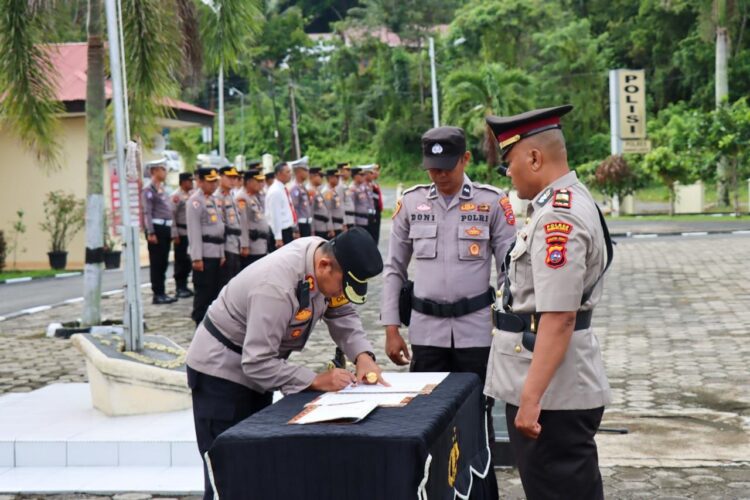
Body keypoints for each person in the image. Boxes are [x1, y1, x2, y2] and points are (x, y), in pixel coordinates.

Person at [186, 227, 386, 500]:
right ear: (324, 266)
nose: (342, 293)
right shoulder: (275, 287)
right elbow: (257, 362)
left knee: (256, 465)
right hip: (221, 374)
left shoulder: (323, 259)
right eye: (343, 285)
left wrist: (363, 356)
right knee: (228, 473)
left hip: (258, 369)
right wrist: (315, 380)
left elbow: (341, 310)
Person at [484, 105, 612, 500]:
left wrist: (530, 399)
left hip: (553, 395)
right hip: (556, 385)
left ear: (534, 157)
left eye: (509, 162)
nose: (507, 173)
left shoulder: (560, 217)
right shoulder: (564, 203)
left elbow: (558, 318)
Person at [380, 126, 516, 466]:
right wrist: (391, 329)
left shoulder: (491, 202)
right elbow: (394, 268)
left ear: (466, 159)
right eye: (433, 168)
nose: (439, 175)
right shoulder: (411, 203)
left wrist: (511, 327)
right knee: (425, 414)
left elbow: (511, 269)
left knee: (475, 412)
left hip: (476, 332)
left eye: (447, 167)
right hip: (427, 333)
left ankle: (479, 475)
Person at [187, 167, 225, 326]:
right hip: (204, 254)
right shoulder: (195, 201)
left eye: (215, 181)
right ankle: (199, 322)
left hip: (216, 252)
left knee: (215, 291)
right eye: (210, 181)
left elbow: (220, 228)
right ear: (200, 181)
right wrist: (196, 257)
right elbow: (194, 231)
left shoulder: (214, 200)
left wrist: (222, 253)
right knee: (203, 291)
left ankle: (211, 324)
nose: (214, 184)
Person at [141, 157, 176, 304]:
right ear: (154, 171)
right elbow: (147, 212)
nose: (165, 172)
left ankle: (162, 292)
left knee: (163, 262)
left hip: (166, 228)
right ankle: (157, 293)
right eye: (162, 169)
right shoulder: (149, 190)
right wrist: (151, 232)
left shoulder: (162, 188)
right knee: (157, 263)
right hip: (157, 229)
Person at [216, 165, 248, 285]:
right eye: (229, 177)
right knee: (227, 280)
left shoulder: (231, 195)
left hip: (235, 243)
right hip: (226, 244)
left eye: (235, 178)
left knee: (235, 278)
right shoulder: (218, 197)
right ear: (221, 177)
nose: (233, 180)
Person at [236, 168, 269, 268]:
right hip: (252, 246)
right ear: (249, 182)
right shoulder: (242, 197)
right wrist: (244, 245)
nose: (261, 183)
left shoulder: (254, 196)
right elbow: (243, 222)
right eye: (257, 181)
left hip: (261, 245)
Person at [171, 172, 195, 298]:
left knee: (188, 261)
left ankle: (185, 285)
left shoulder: (193, 194)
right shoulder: (176, 196)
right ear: (183, 182)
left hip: (191, 232)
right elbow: (172, 216)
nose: (191, 183)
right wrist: (174, 234)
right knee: (180, 261)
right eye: (189, 181)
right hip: (181, 232)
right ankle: (180, 287)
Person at [265, 162, 298, 248]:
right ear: (279, 174)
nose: (290, 174)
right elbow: (275, 216)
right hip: (281, 232)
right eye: (287, 172)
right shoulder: (275, 191)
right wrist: (278, 238)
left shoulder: (282, 188)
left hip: (287, 230)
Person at [309, 166, 335, 239]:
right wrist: (312, 230)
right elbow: (310, 212)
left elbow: (326, 209)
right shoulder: (310, 191)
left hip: (324, 227)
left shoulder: (316, 190)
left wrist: (329, 227)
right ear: (312, 176)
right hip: (317, 228)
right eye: (320, 176)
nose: (322, 179)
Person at [290, 161, 312, 237]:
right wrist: (296, 229)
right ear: (298, 171)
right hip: (300, 225)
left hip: (307, 223)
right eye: (305, 170)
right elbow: (294, 209)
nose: (307, 173)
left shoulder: (302, 187)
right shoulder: (295, 188)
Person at [321, 168, 346, 236]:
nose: (338, 179)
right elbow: (327, 211)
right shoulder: (327, 192)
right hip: (334, 227)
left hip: (339, 225)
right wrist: (330, 228)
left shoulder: (334, 190)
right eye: (337, 177)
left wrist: (343, 223)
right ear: (330, 178)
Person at [369, 164, 383, 244]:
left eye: (378, 170)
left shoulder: (375, 184)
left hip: (377, 212)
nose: (377, 173)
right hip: (373, 213)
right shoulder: (370, 185)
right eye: (375, 170)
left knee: (376, 236)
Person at [337, 162, 355, 228]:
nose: (349, 172)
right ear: (340, 171)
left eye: (349, 170)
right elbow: (340, 204)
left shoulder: (345, 184)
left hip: (350, 219)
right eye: (347, 170)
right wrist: (344, 222)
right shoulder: (339, 185)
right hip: (346, 220)